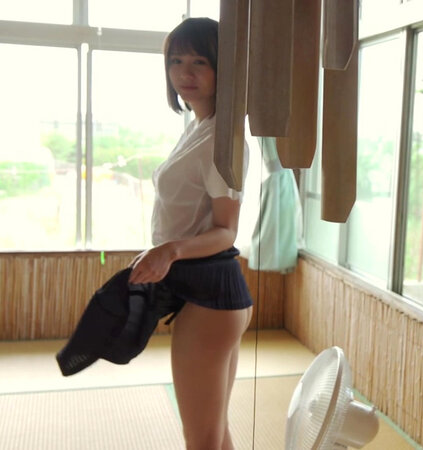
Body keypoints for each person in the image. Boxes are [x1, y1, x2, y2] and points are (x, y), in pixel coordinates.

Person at [127, 17, 252, 450]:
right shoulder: (199, 128)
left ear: (224, 69)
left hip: (211, 295)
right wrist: (167, 252)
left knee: (202, 439)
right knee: (214, 433)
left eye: (200, 61)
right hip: (204, 292)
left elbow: (226, 231)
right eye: (176, 61)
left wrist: (170, 250)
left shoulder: (222, 139)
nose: (185, 72)